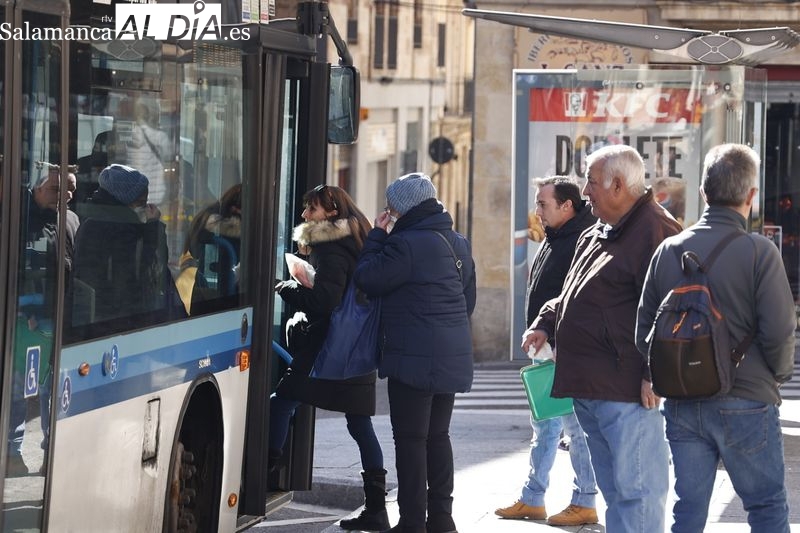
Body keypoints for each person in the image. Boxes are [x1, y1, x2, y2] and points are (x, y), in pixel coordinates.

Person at [636, 143, 795, 532]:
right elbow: (780, 330)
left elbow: (645, 334)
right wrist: (776, 376)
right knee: (766, 505)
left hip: (684, 402)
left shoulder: (669, 251)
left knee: (688, 510)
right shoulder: (759, 252)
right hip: (747, 397)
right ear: (751, 196)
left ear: (704, 193)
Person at [524, 144, 682, 533]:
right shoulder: (599, 228)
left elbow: (671, 310)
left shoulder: (656, 231)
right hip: (592, 385)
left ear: (616, 185)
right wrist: (547, 319)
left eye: (591, 182)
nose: (585, 191)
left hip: (626, 388)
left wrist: (652, 373)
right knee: (616, 493)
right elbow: (574, 291)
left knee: (637, 493)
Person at [354, 173, 477, 533]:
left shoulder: (404, 244)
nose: (389, 210)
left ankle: (411, 522)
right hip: (451, 355)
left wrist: (377, 235)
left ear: (402, 208)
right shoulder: (458, 242)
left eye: (391, 205)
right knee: (438, 436)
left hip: (412, 358)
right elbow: (466, 300)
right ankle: (441, 518)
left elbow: (368, 278)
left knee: (410, 441)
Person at [270, 184, 389, 532]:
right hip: (357, 347)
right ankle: (377, 508)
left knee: (281, 402)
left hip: (327, 349)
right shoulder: (357, 240)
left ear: (331, 213)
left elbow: (324, 301)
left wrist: (285, 286)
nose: (305, 214)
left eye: (312, 209)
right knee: (359, 424)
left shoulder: (330, 248)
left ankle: (264, 476)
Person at [495, 177, 598, 526]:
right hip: (546, 349)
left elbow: (576, 299)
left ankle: (584, 500)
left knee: (574, 429)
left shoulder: (580, 240)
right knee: (544, 427)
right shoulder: (556, 237)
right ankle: (533, 497)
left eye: (543, 204)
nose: (537, 211)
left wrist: (553, 338)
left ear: (567, 205)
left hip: (562, 351)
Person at [8, 167, 79, 476]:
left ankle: (52, 452)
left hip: (59, 320)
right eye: (56, 189)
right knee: (19, 390)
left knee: (54, 392)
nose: (65, 195)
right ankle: (11, 452)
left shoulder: (72, 220)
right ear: (36, 190)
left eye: (71, 190)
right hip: (27, 321)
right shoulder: (18, 217)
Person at [71, 164, 185, 334]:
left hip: (107, 318)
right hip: (121, 322)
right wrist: (153, 227)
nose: (145, 207)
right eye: (141, 203)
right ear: (124, 201)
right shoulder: (119, 229)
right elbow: (150, 271)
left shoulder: (93, 221)